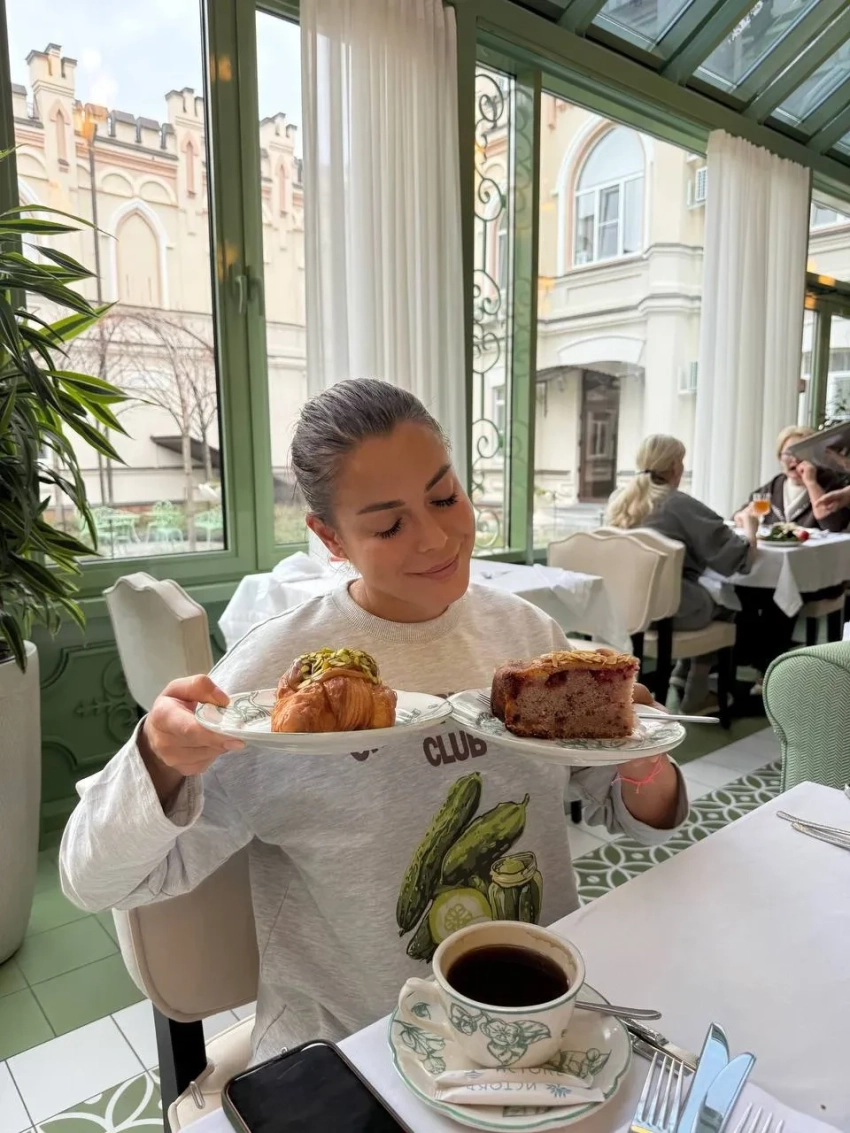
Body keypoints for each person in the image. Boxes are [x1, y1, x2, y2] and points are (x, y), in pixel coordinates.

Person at [59, 379, 687, 1064]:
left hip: (532, 1018)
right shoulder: (273, 678)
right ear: (330, 537)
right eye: (389, 526)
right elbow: (93, 878)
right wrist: (157, 757)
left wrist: (642, 759)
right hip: (355, 1048)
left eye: (444, 497)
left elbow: (632, 816)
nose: (438, 537)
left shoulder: (525, 634)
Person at [606, 434, 758, 713]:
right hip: (671, 613)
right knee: (728, 602)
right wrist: (751, 528)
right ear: (676, 466)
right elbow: (734, 557)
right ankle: (696, 691)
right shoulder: (678, 503)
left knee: (705, 594)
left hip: (622, 612)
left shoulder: (619, 500)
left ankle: (681, 673)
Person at [733, 425, 850, 532]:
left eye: (803, 453)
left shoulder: (829, 483)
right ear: (779, 457)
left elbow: (834, 526)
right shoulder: (773, 487)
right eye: (788, 453)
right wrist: (740, 517)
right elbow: (739, 516)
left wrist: (811, 483)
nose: (795, 459)